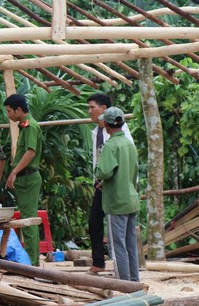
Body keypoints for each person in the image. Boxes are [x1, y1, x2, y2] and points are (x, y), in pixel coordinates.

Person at [86, 93, 135, 274]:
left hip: (116, 188)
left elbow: (127, 163)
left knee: (119, 237)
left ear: (104, 110)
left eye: (92, 107)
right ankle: (99, 262)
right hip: (100, 185)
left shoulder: (120, 137)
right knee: (95, 222)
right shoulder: (97, 132)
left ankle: (123, 274)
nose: (89, 111)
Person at [94, 107, 140, 282]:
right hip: (131, 199)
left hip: (116, 202)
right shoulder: (129, 143)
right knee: (130, 245)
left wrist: (98, 171)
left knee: (118, 246)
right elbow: (131, 172)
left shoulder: (111, 145)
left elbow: (102, 172)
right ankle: (134, 282)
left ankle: (124, 284)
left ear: (106, 124)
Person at [4, 93, 43, 266]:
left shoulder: (30, 126)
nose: (9, 115)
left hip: (28, 178)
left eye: (9, 111)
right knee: (28, 220)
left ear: (19, 110)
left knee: (28, 222)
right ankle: (31, 261)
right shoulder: (25, 126)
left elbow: (30, 152)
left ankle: (31, 263)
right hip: (24, 178)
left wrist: (14, 173)